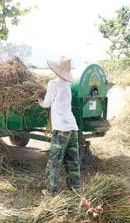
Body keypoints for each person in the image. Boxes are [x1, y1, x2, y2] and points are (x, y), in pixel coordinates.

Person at [38, 57, 81, 197]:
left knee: (55, 160)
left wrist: (39, 101)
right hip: (72, 126)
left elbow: (47, 103)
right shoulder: (67, 85)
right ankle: (76, 189)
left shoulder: (53, 83)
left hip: (61, 128)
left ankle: (50, 190)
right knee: (72, 158)